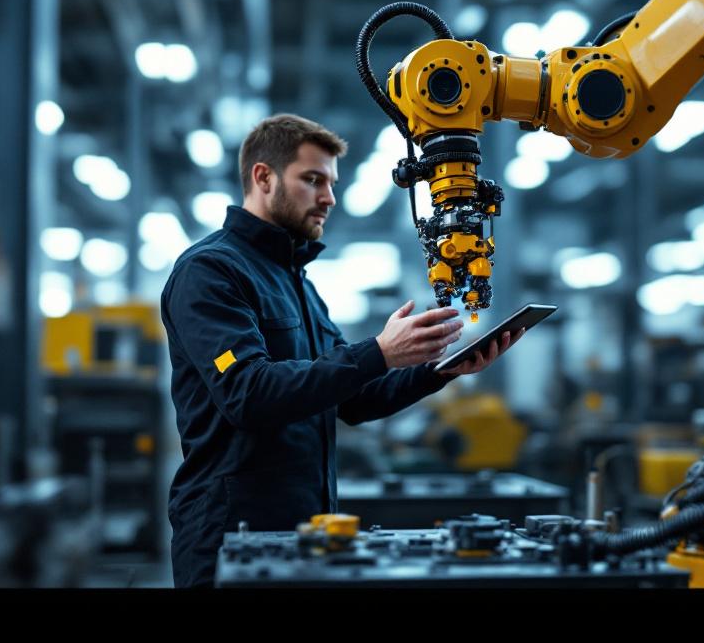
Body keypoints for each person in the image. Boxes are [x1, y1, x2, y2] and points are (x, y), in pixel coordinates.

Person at [160, 114, 521, 587]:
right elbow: (247, 393)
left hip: (306, 528)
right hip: (228, 534)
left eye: (331, 183)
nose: (329, 197)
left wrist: (438, 370)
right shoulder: (210, 272)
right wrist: (379, 352)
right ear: (263, 177)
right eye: (313, 180)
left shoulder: (298, 283)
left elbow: (354, 400)